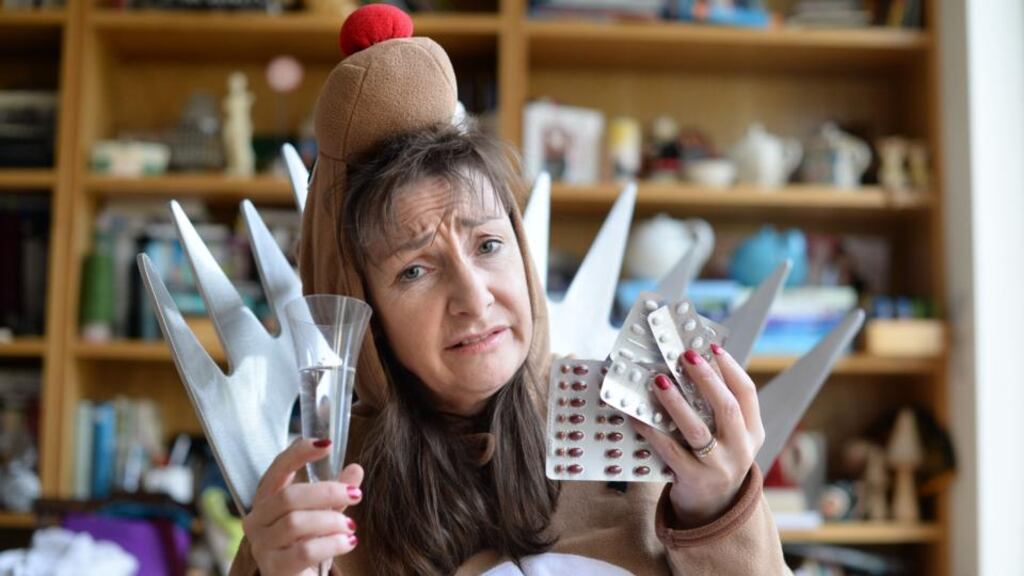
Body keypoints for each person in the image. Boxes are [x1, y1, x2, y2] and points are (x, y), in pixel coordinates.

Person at [230, 5, 789, 575]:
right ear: (367, 314)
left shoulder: (641, 436)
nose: (475, 299)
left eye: (489, 245)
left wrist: (717, 514)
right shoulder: (313, 503)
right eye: (414, 271)